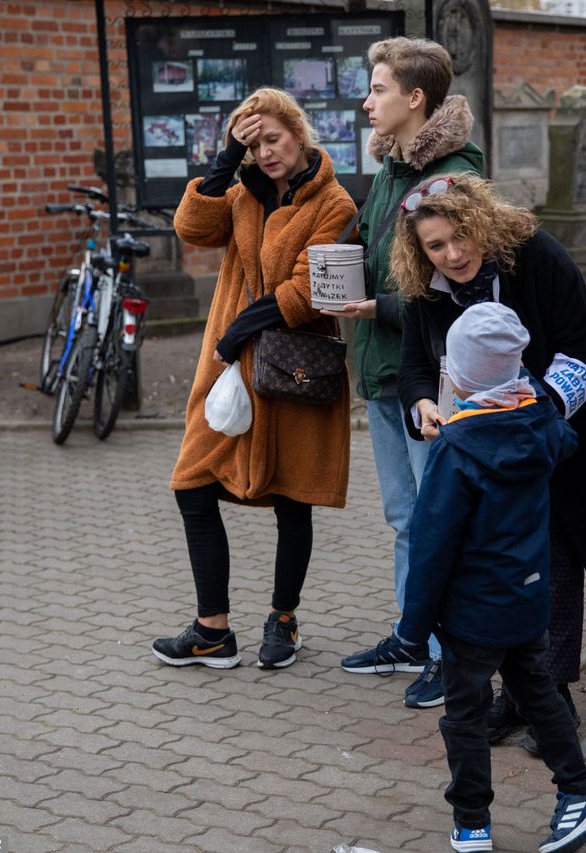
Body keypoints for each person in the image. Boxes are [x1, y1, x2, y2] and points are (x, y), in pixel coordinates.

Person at [386, 174, 586, 748]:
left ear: (483, 222)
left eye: (460, 236)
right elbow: (416, 363)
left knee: (552, 569)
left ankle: (552, 697)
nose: (453, 254)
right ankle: (520, 697)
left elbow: (583, 353)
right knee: (496, 572)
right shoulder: (427, 285)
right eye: (436, 246)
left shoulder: (539, 258)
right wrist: (422, 402)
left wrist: (521, 415)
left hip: (560, 442)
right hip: (479, 455)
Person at [389, 302, 586, 853]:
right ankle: (581, 789)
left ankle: (472, 822)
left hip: (472, 614)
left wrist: (412, 628)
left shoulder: (455, 450)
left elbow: (431, 547)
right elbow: (562, 433)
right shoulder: (541, 424)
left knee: (465, 716)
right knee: (538, 694)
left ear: (458, 373)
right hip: (528, 600)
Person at [151, 88, 356, 671]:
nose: (266, 151)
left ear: (299, 134)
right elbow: (193, 227)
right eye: (253, 142)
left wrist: (239, 330)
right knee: (192, 483)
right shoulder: (243, 193)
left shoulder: (334, 202)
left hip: (293, 366)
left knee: (292, 497)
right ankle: (212, 630)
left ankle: (283, 620)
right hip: (229, 372)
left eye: (273, 138)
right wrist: (222, 163)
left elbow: (310, 288)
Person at [333, 37, 486, 709]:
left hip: (427, 370)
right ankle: (412, 633)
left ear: (414, 98)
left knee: (438, 517)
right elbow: (378, 251)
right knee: (405, 516)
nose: (368, 102)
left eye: (379, 89)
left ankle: (449, 656)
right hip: (382, 368)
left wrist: (379, 305)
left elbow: (463, 279)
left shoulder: (451, 174)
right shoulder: (392, 168)